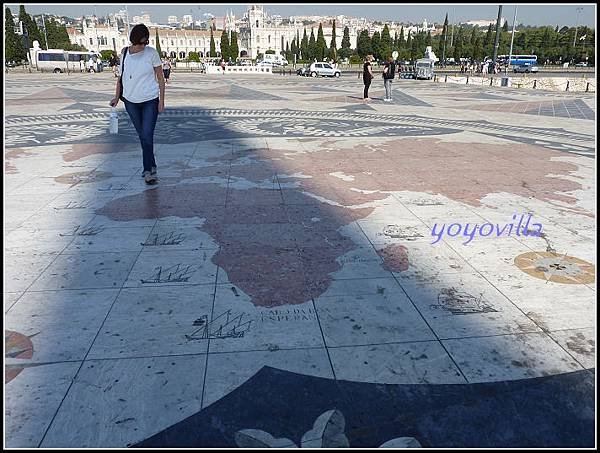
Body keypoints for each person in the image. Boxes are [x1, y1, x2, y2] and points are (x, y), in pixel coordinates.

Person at [109, 23, 165, 185]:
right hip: (130, 102)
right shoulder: (124, 53)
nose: (143, 46)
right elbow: (121, 78)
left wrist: (161, 101)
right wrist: (116, 97)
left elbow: (161, 79)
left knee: (147, 135)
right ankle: (152, 164)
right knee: (143, 136)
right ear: (134, 40)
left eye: (145, 42)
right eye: (141, 42)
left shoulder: (152, 54)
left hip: (150, 100)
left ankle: (147, 170)